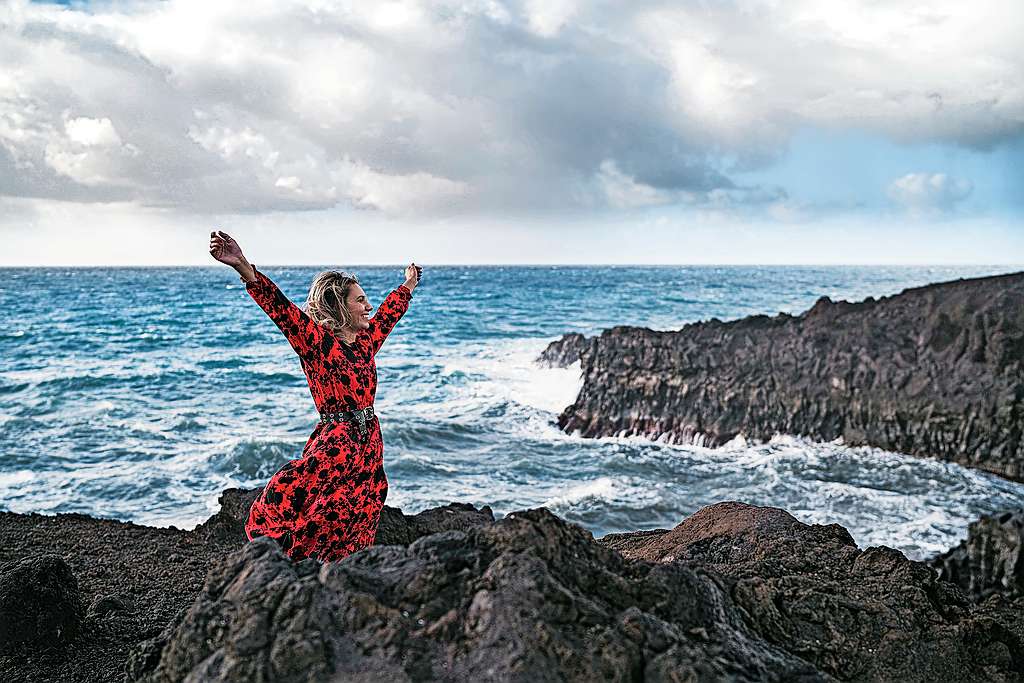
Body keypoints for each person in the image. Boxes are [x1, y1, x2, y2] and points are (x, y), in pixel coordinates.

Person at [208, 230, 421, 562]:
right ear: (340, 306)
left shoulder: (365, 342)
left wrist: (408, 285)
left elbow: (389, 314)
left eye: (366, 300)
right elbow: (282, 312)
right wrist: (244, 269)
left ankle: (343, 570)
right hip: (336, 445)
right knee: (317, 507)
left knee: (364, 508)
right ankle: (294, 563)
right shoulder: (318, 344)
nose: (368, 307)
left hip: (368, 443)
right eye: (360, 300)